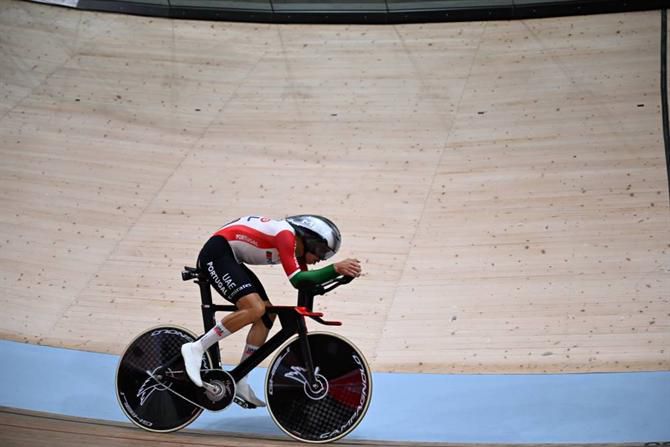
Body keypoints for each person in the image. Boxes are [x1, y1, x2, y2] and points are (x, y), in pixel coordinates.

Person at [181, 214, 362, 407]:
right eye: (321, 251)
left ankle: (240, 377)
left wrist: (339, 279)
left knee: (267, 314)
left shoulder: (297, 248)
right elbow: (298, 279)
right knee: (255, 308)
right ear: (308, 239)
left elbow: (307, 283)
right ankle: (196, 347)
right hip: (217, 253)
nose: (320, 259)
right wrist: (335, 269)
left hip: (232, 258)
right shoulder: (286, 235)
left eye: (326, 256)